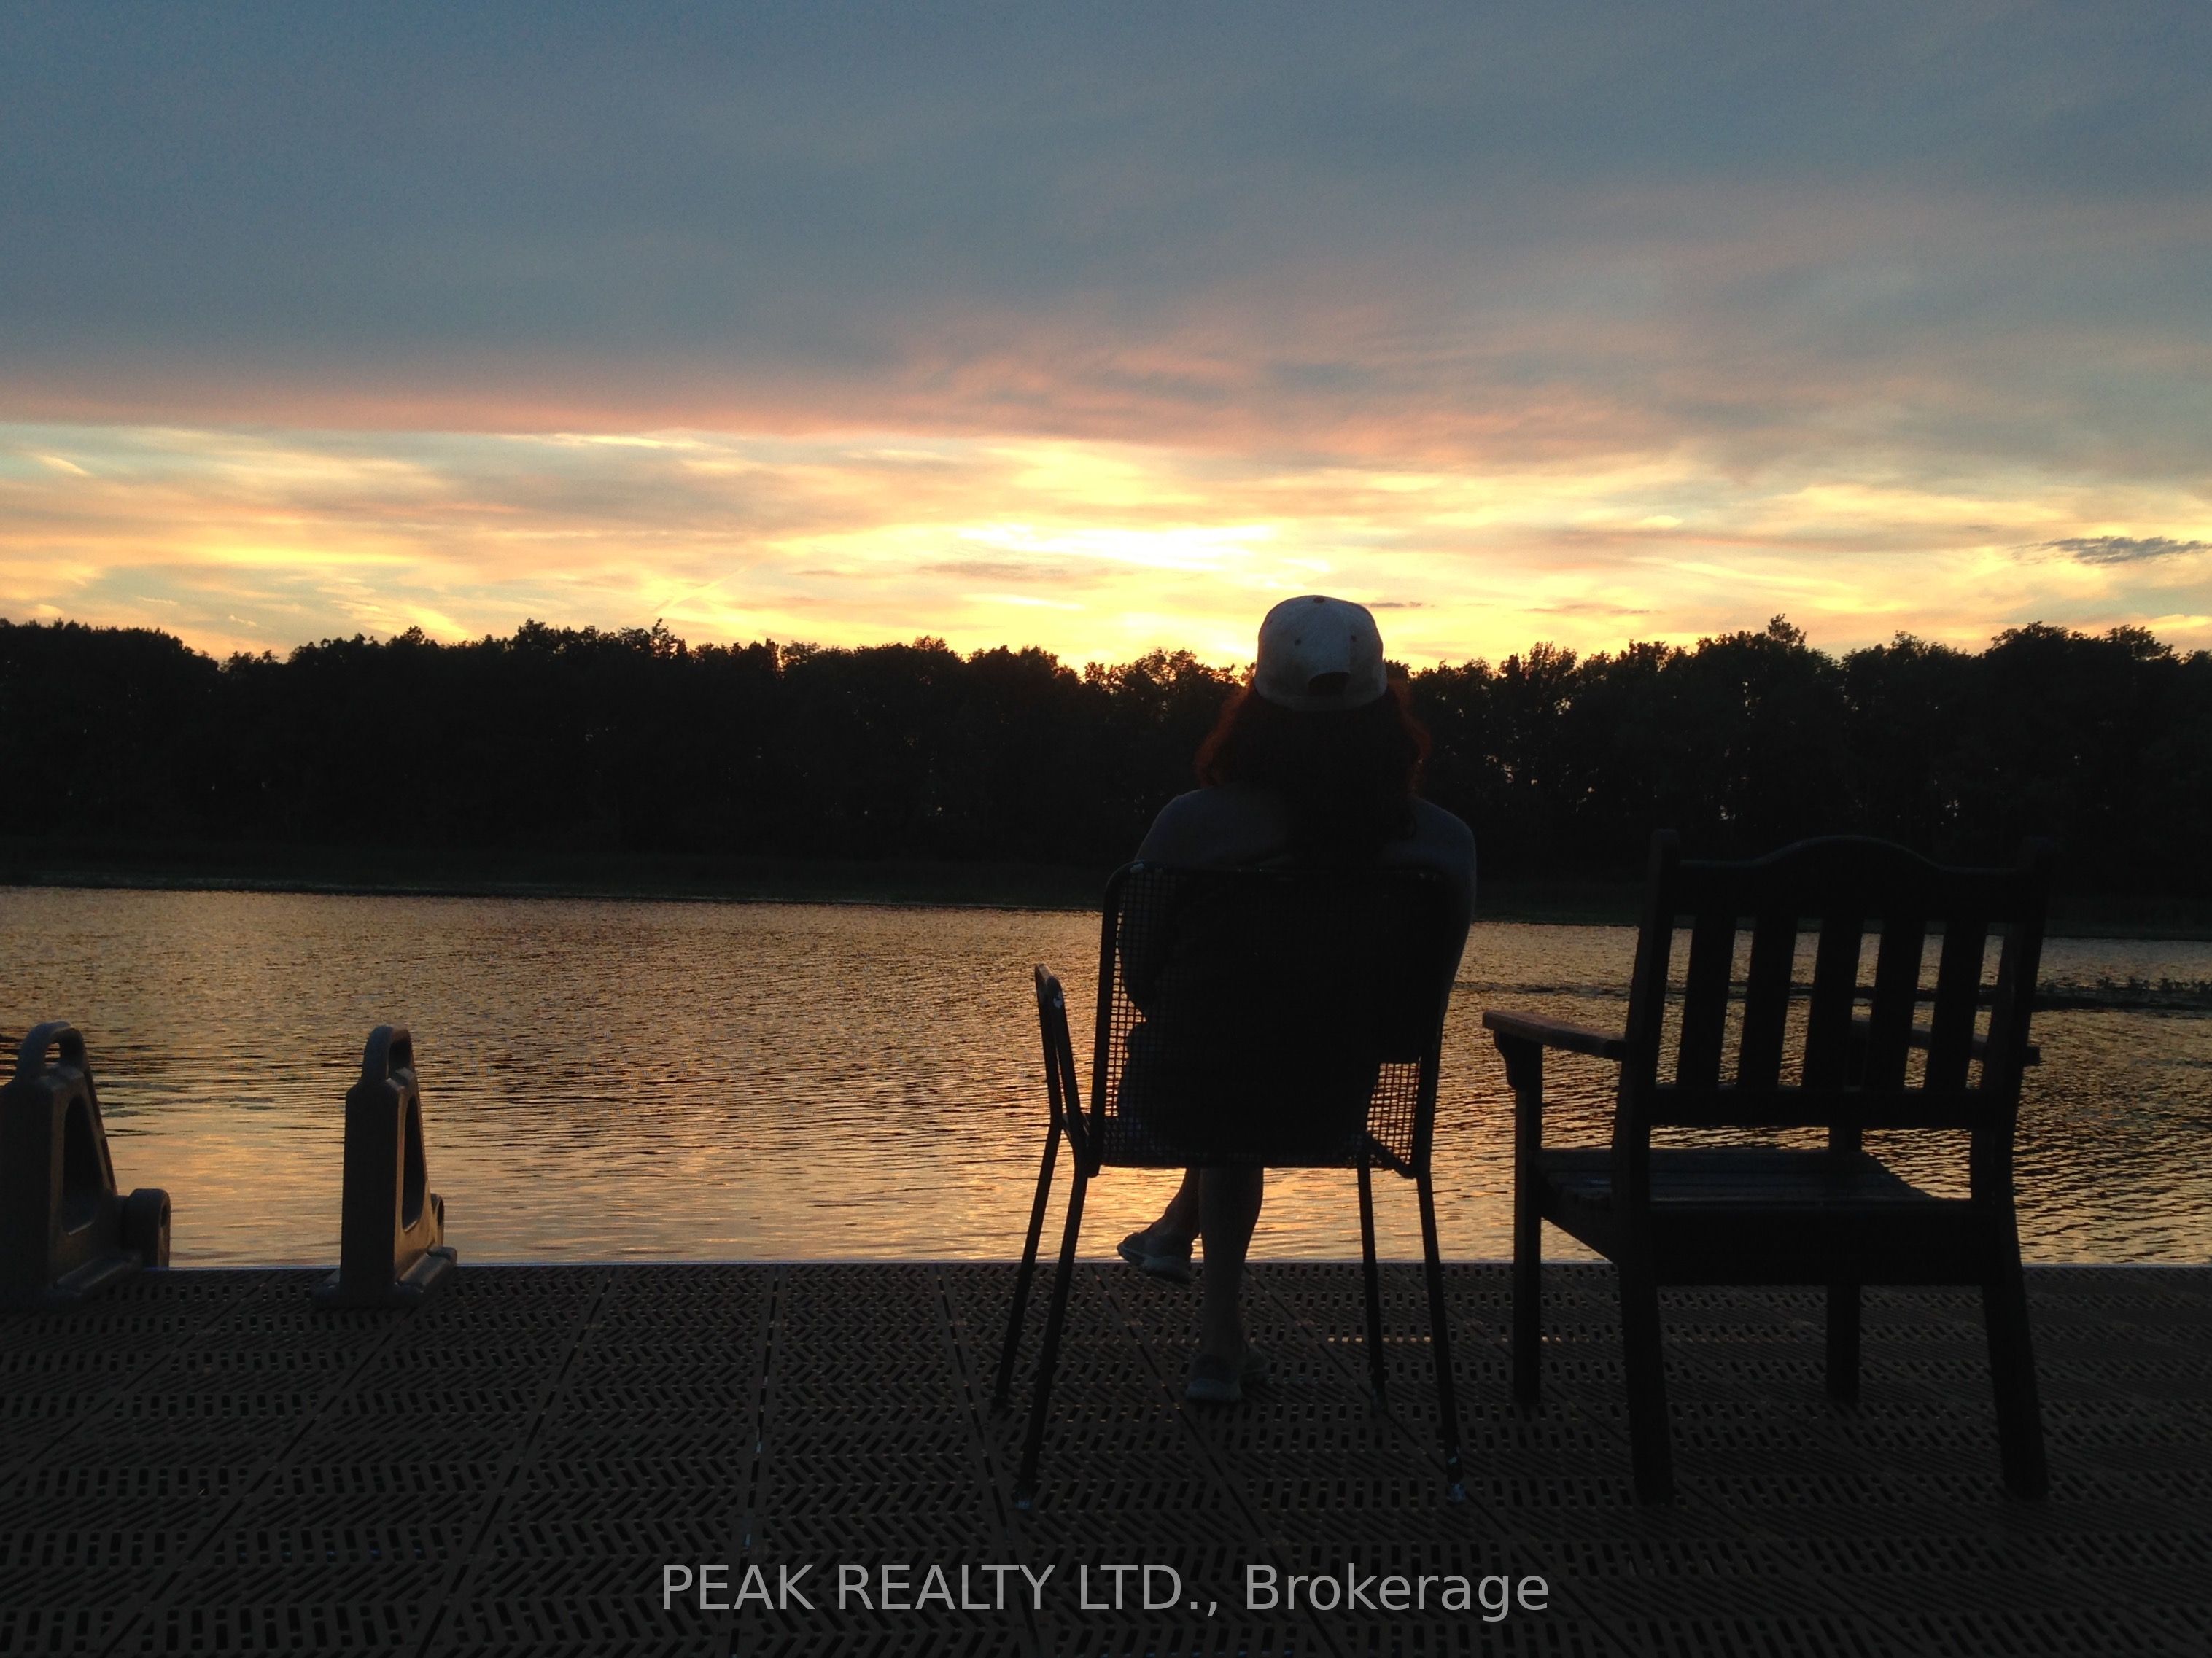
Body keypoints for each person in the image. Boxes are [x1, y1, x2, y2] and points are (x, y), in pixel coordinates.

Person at [1114, 594, 1475, 1404]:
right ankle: (1205, 1310)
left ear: (1253, 705)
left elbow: (1141, 980)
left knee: (1226, 1061)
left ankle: (1209, 1319)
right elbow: (1414, 1022)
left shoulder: (1190, 827)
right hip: (1329, 1106)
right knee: (1256, 1064)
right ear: (1386, 708)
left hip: (1176, 1096)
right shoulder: (1442, 844)